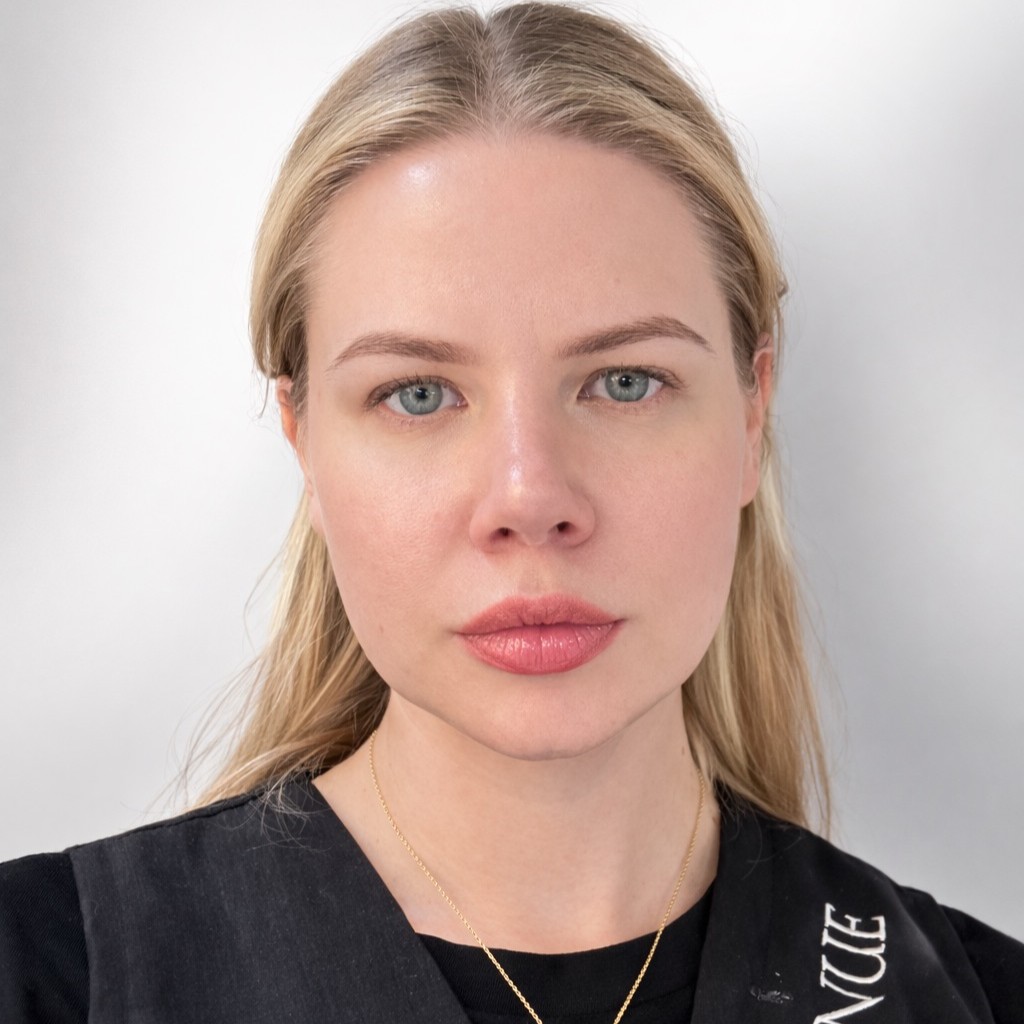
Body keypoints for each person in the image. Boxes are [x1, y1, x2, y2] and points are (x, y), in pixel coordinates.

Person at [1, 3, 1021, 1022]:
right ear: (303, 440)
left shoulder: (973, 997)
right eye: (417, 394)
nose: (531, 499)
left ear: (752, 409)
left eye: (624, 382)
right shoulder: (45, 976)